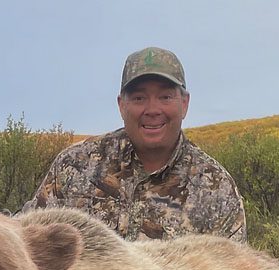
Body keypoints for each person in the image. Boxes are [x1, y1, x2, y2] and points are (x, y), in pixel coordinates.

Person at [22, 47, 246, 242]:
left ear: (184, 103)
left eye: (165, 97)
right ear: (122, 105)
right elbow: (26, 241)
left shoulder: (215, 187)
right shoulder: (74, 166)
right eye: (139, 98)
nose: (152, 109)